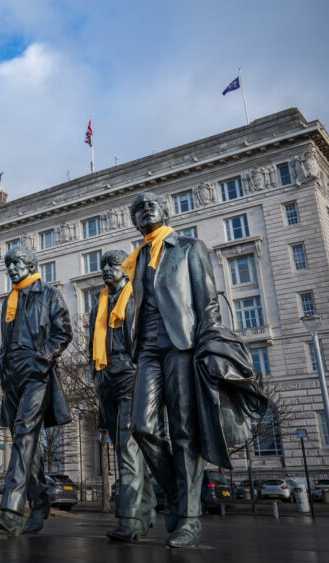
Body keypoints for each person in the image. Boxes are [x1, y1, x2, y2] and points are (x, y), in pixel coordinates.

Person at [125, 192, 267, 548]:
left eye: (151, 204)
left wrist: (207, 345)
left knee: (185, 430)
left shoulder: (189, 246)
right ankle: (176, 493)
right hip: (146, 350)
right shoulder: (137, 257)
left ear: (165, 210)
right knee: (142, 426)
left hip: (183, 345)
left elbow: (206, 301)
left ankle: (189, 518)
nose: (145, 209)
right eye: (137, 208)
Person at [0, 247, 73, 535]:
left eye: (18, 263)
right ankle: (39, 503)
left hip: (37, 371)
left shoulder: (49, 293)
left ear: (31, 265)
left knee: (25, 434)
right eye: (9, 264)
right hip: (10, 374)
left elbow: (63, 332)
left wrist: (43, 358)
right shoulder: (8, 301)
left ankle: (12, 510)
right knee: (28, 444)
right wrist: (1, 366)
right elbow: (5, 339)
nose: (13, 268)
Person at [88, 249, 156, 542]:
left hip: (130, 372)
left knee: (128, 447)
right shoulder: (98, 304)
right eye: (103, 266)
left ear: (125, 270)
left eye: (112, 265)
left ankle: (128, 519)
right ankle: (146, 510)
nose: (106, 270)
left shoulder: (138, 297)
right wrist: (96, 373)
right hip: (105, 375)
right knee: (124, 448)